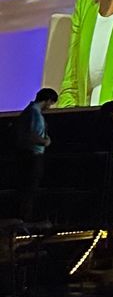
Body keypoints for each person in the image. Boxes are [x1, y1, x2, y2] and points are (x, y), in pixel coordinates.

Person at [14, 87, 55, 221]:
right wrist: (45, 142)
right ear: (48, 100)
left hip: (29, 155)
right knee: (29, 189)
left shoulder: (30, 112)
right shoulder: (34, 113)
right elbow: (31, 135)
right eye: (51, 104)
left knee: (28, 189)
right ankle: (24, 218)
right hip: (32, 156)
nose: (49, 107)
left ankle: (24, 217)